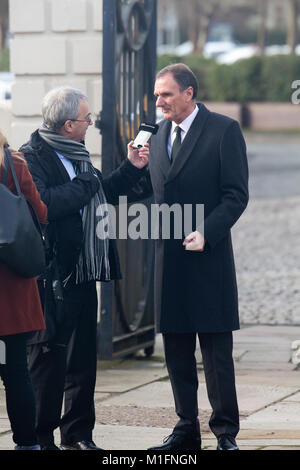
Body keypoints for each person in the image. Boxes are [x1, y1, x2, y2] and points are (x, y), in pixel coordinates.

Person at [19, 87, 149, 451]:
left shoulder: (77, 156)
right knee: (47, 359)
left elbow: (101, 191)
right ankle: (40, 438)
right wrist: (85, 183)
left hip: (83, 270)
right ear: (66, 124)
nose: (91, 123)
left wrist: (131, 168)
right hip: (52, 275)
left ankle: (78, 436)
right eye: (85, 119)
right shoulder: (33, 157)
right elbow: (45, 203)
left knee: (81, 359)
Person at [144, 64, 249, 451]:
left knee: (216, 352)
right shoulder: (155, 137)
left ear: (189, 93)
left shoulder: (224, 131)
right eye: (157, 94)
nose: (159, 101)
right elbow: (155, 191)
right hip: (169, 262)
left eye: (166, 94)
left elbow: (236, 194)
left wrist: (207, 232)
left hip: (209, 258)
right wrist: (135, 165)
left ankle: (225, 433)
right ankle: (186, 428)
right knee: (176, 349)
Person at [0, 131, 48, 450]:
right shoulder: (14, 162)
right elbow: (40, 215)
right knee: (15, 371)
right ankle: (27, 444)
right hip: (12, 290)